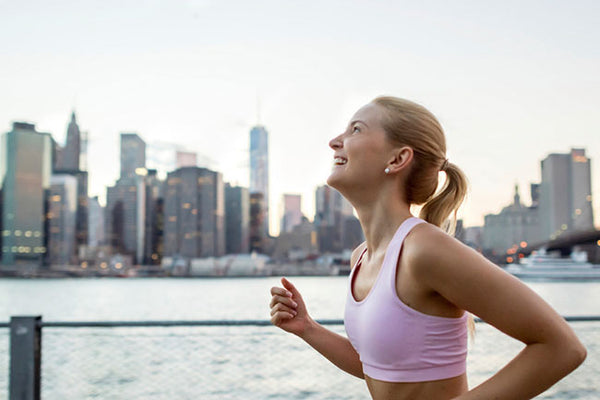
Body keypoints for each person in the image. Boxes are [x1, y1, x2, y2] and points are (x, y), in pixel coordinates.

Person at [269, 96, 587, 399]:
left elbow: (562, 347)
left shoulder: (425, 249)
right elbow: (382, 370)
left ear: (397, 159)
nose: (335, 141)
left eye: (355, 129)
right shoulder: (362, 257)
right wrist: (307, 328)